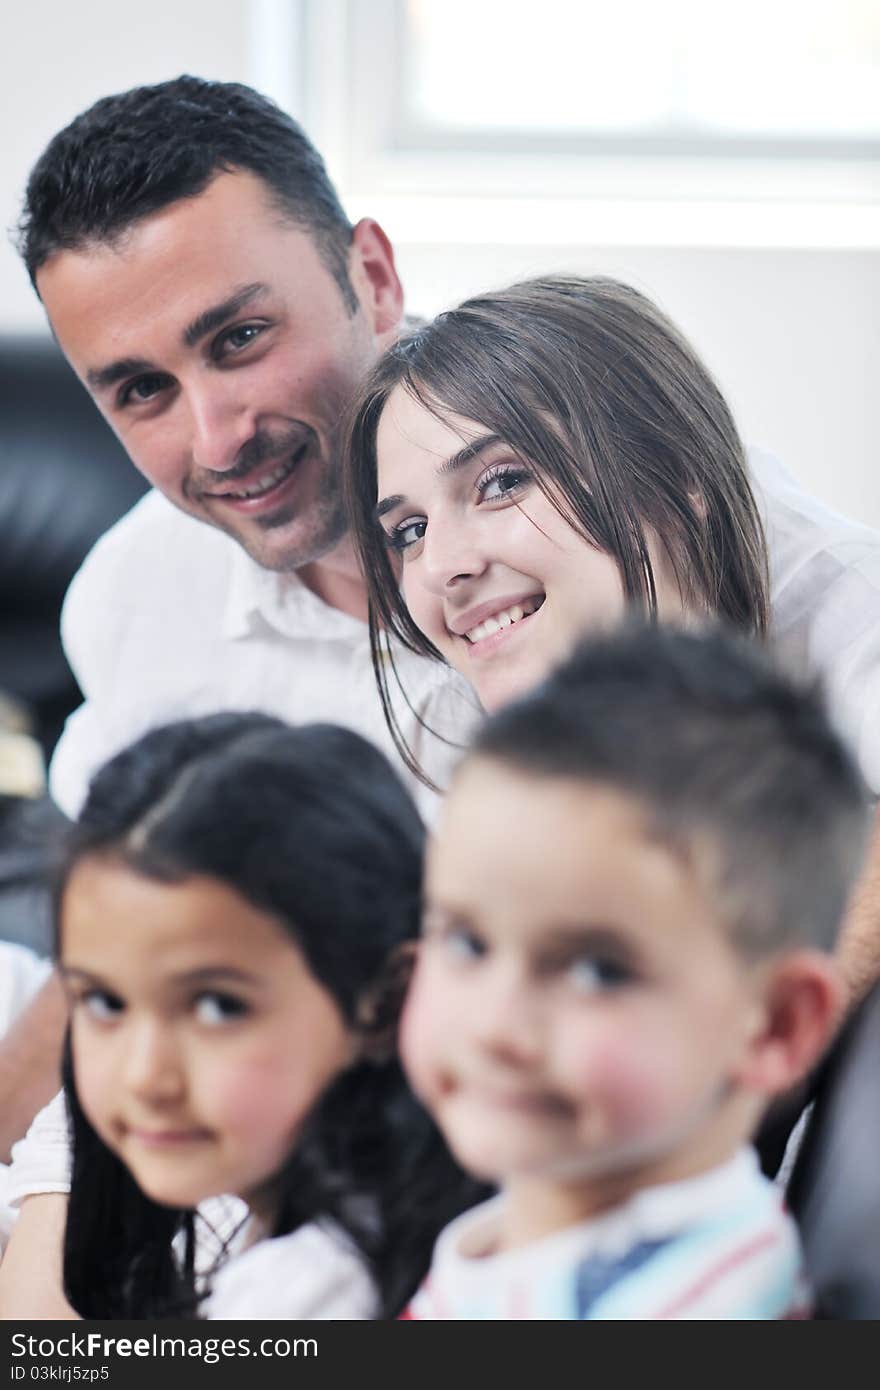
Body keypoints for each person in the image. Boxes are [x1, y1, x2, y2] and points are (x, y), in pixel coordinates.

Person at [3, 74, 880, 1311]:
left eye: (240, 337)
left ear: (370, 274)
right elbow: (108, 941)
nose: (215, 437)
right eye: (139, 390)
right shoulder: (138, 596)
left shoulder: (672, 542)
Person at [343, 274, 880, 995]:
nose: (440, 566)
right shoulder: (454, 761)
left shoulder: (849, 613)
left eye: (501, 483)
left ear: (675, 472)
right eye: (409, 531)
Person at [401, 623, 868, 1319]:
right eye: (468, 943)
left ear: (774, 1025)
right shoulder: (537, 1225)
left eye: (597, 971)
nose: (496, 1024)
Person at [47, 710, 480, 1318]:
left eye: (218, 1007)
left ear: (382, 1004)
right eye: (104, 1002)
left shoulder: (311, 1293)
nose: (145, 1075)